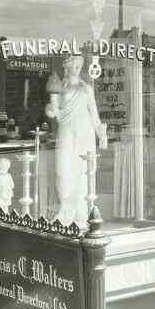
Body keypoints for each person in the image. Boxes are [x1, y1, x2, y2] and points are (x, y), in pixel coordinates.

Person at [46, 55, 107, 227]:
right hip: (66, 129)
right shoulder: (59, 86)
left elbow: (94, 113)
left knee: (82, 170)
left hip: (84, 130)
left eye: (79, 65)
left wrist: (100, 133)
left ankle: (81, 211)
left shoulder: (86, 88)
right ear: (66, 66)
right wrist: (50, 110)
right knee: (63, 168)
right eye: (74, 65)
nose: (77, 68)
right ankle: (66, 210)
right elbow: (55, 111)